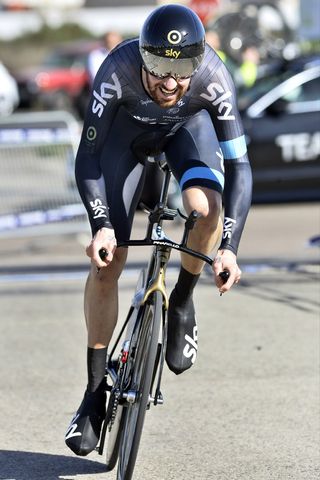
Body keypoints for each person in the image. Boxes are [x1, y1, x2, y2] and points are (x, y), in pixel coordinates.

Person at [65, 3, 252, 456]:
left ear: (198, 60)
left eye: (183, 68)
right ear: (143, 57)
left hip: (189, 133)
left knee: (204, 207)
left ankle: (182, 302)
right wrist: (102, 226)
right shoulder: (117, 68)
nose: (170, 82)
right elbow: (88, 158)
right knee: (109, 263)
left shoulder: (213, 74)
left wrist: (228, 247)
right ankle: (93, 391)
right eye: (159, 68)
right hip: (124, 142)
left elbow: (240, 166)